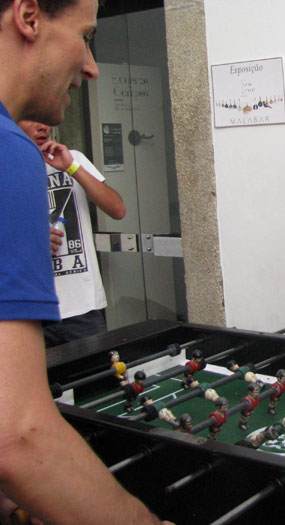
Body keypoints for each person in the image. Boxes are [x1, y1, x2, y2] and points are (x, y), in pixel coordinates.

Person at [0, 0, 165, 522]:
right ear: (29, 17)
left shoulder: (45, 158)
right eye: (86, 36)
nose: (92, 67)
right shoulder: (9, 154)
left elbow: (116, 206)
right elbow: (18, 434)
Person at [17, 120, 125, 347]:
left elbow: (117, 209)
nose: (42, 127)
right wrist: (29, 240)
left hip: (82, 306)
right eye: (33, 119)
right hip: (28, 309)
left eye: (46, 120)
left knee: (96, 368)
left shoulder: (72, 158)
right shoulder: (7, 168)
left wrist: (71, 167)